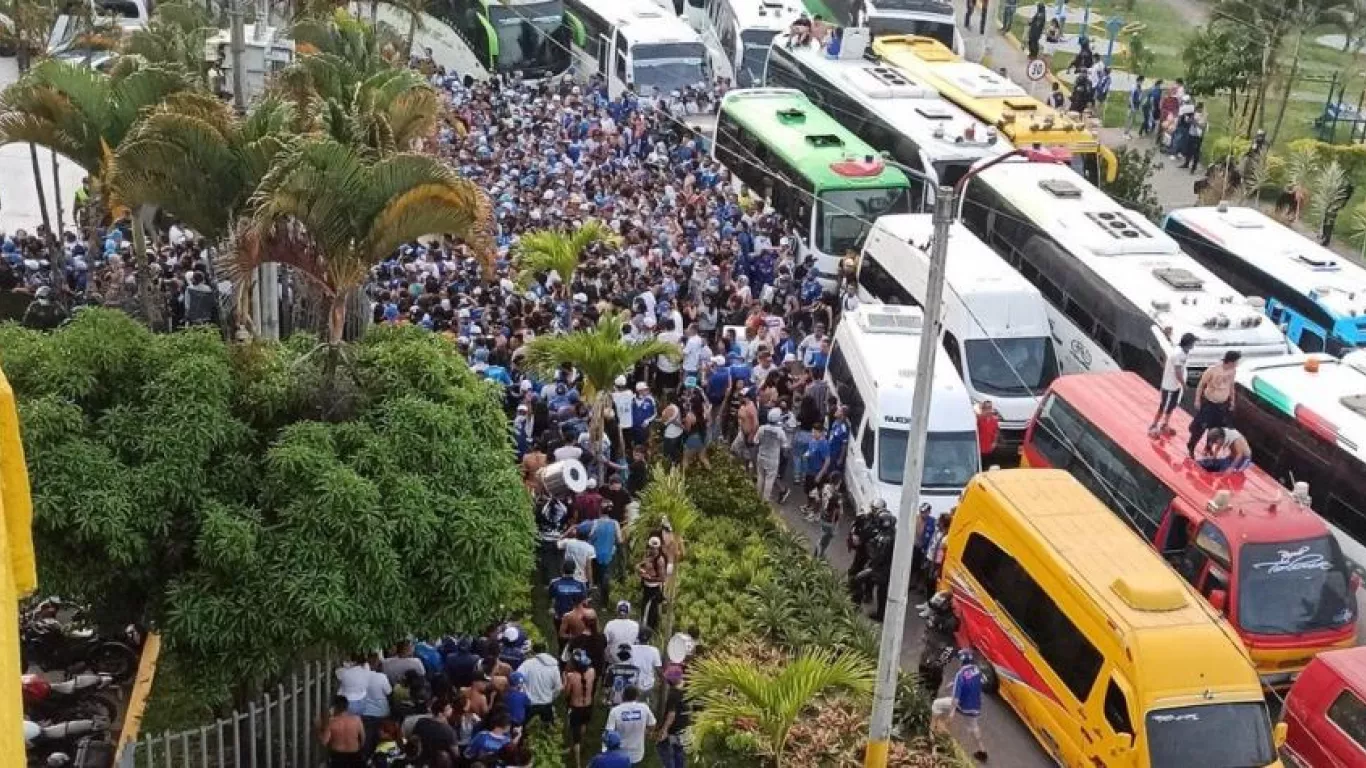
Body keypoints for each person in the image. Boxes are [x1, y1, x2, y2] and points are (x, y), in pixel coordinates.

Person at [932, 650, 988, 762]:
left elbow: (955, 698)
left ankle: (933, 734)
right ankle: (982, 751)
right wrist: (955, 683)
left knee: (936, 704)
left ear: (961, 661)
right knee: (974, 727)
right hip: (975, 706)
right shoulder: (977, 670)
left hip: (962, 706)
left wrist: (952, 713)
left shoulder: (960, 674)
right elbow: (978, 682)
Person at [1187, 350, 1240, 457]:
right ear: (1230, 361)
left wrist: (1232, 400)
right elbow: (1201, 384)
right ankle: (1191, 446)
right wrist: (1197, 399)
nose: (1236, 364)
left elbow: (1231, 386)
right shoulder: (1213, 369)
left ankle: (1208, 447)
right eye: (1235, 362)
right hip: (1209, 402)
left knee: (1215, 428)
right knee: (1201, 427)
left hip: (1222, 404)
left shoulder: (1232, 371)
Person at [1149, 333, 1196, 437]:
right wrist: (1184, 384)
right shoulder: (1178, 354)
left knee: (1171, 407)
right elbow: (1177, 372)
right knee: (1164, 407)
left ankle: (1165, 424)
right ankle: (1154, 425)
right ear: (1189, 343)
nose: (1194, 345)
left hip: (1176, 386)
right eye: (1193, 343)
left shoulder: (1184, 352)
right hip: (1169, 386)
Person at [604, 685, 657, 766]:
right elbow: (652, 724)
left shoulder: (615, 711)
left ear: (623, 695)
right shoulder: (644, 708)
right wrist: (646, 732)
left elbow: (609, 732)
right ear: (636, 696)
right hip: (637, 754)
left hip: (619, 754)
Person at [579, 511, 623, 604]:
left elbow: (589, 535)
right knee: (605, 578)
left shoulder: (595, 522)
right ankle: (604, 602)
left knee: (594, 577)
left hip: (595, 554)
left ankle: (589, 598)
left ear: (600, 511)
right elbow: (619, 540)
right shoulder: (615, 523)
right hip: (609, 554)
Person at [565, 649, 598, 768]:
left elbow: (567, 693)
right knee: (583, 726)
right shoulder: (592, 672)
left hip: (576, 707)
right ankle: (580, 744)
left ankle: (578, 763)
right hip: (588, 705)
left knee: (575, 734)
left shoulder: (571, 676)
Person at [515, 642, 562, 724]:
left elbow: (517, 678)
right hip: (546, 705)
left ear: (533, 651)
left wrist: (524, 693)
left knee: (525, 731)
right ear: (546, 650)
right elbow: (558, 687)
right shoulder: (554, 666)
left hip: (530, 705)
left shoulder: (527, 664)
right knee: (546, 731)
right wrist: (551, 696)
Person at [655, 666, 689, 768]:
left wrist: (664, 729)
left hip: (674, 729)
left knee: (662, 747)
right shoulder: (687, 689)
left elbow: (671, 714)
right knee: (679, 752)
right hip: (684, 726)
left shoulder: (673, 693)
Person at [319, 695, 366, 768]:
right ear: (347, 706)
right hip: (354, 754)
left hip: (338, 756)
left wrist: (318, 729)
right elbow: (363, 739)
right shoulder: (357, 720)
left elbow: (324, 741)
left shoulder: (331, 722)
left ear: (334, 707)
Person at [754, 407, 789, 502]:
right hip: (773, 459)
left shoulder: (762, 428)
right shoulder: (780, 432)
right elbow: (785, 446)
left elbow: (756, 441)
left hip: (761, 455)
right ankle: (765, 501)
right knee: (770, 480)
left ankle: (758, 497)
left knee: (760, 477)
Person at [637, 536, 669, 630]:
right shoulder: (648, 555)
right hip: (646, 586)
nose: (653, 550)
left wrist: (649, 578)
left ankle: (648, 628)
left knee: (649, 610)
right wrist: (640, 569)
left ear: (658, 548)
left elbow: (662, 578)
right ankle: (648, 627)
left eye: (654, 548)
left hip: (653, 588)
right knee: (645, 608)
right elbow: (641, 564)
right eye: (651, 547)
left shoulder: (660, 560)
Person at [814, 471, 843, 558]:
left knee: (822, 535)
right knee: (825, 540)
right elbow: (840, 512)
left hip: (823, 516)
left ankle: (817, 553)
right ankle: (819, 556)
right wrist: (836, 525)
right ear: (839, 482)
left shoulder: (825, 487)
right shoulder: (837, 496)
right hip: (830, 521)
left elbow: (816, 498)